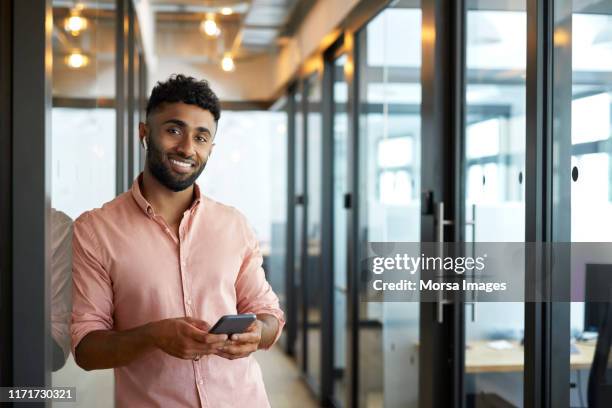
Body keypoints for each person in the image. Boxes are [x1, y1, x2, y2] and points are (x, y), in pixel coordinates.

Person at [71, 74, 285, 407]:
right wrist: (154, 335)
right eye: (174, 130)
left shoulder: (234, 225)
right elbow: (86, 348)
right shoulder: (95, 230)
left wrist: (259, 333)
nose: (187, 148)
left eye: (201, 138)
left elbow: (269, 314)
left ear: (210, 149)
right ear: (145, 133)